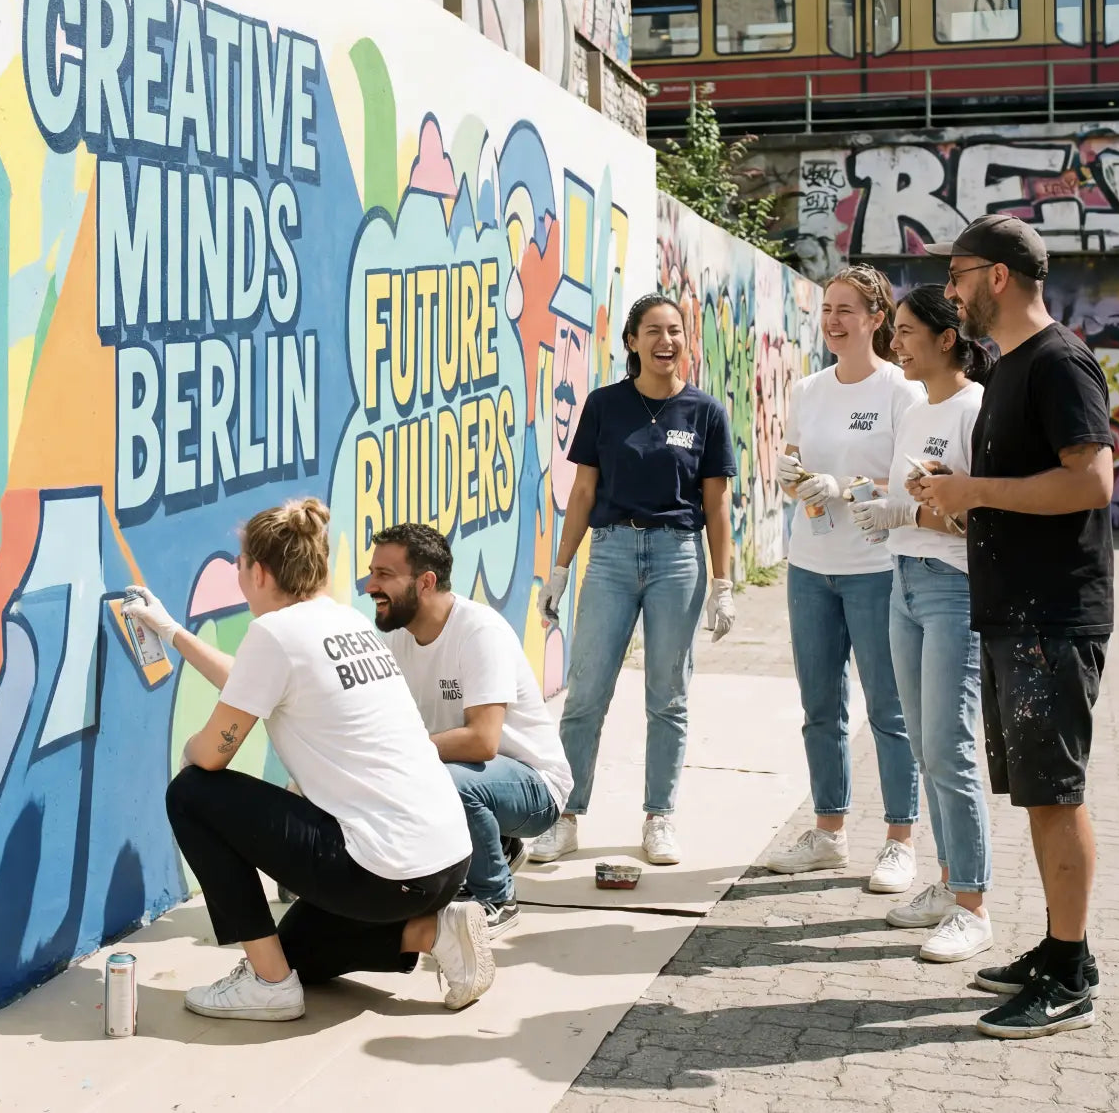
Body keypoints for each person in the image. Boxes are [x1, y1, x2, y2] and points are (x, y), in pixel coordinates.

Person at [122, 498, 494, 1021]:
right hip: (446, 861)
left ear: (258, 571)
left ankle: (267, 985)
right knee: (292, 950)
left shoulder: (274, 634)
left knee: (192, 793)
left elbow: (211, 754)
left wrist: (192, 754)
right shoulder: (345, 621)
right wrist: (173, 633)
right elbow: (254, 683)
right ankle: (434, 931)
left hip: (384, 871)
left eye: (239, 565)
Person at [917, 214, 1113, 1039]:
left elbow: (1093, 483)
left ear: (997, 276)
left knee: (1055, 796)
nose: (950, 291)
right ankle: (1060, 949)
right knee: (1035, 796)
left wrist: (977, 494)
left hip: (1051, 617)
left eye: (958, 274)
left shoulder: (1059, 362)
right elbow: (1017, 492)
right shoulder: (1009, 370)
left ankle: (1068, 975)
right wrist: (953, 500)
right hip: (1014, 613)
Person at [529, 293, 737, 866]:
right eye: (653, 331)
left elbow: (717, 508)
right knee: (587, 693)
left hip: (678, 559)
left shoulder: (705, 413)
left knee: (667, 697)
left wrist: (725, 584)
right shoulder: (604, 405)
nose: (665, 341)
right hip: (612, 556)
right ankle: (565, 817)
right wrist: (562, 567)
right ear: (631, 341)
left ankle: (659, 817)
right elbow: (583, 493)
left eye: (674, 331)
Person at [763, 265, 924, 893]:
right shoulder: (808, 390)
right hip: (810, 567)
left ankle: (899, 839)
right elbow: (799, 458)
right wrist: (791, 475)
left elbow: (916, 486)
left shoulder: (900, 392)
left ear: (876, 319)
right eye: (827, 308)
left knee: (890, 710)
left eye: (846, 310)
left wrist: (851, 487)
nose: (832, 320)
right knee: (820, 709)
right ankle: (828, 833)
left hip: (877, 570)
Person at [850, 284, 994, 963]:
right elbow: (913, 492)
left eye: (906, 331)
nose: (895, 343)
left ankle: (972, 904)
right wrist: (873, 503)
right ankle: (945, 884)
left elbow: (977, 518)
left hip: (953, 590)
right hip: (903, 584)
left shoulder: (977, 409)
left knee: (950, 746)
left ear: (945, 337)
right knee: (925, 747)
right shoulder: (917, 408)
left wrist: (908, 513)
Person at [366, 523, 573, 938]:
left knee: (442, 780)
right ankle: (495, 844)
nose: (370, 586)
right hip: (475, 779)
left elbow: (482, 741)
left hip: (534, 785)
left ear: (425, 582)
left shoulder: (480, 632)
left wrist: (405, 755)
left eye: (384, 575)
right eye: (373, 573)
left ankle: (497, 898)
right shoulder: (398, 643)